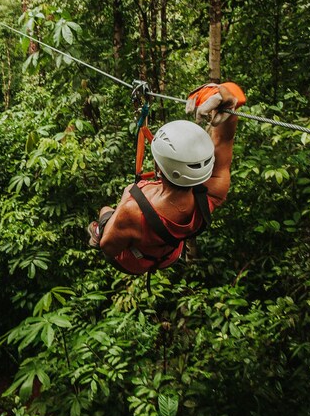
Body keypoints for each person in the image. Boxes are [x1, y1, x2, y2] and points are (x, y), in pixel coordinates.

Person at [87, 82, 246, 275]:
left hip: (133, 262)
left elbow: (109, 249)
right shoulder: (213, 191)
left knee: (106, 210)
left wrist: (126, 199)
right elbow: (224, 139)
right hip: (168, 256)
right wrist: (227, 96)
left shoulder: (132, 211)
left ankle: (96, 231)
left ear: (157, 166)